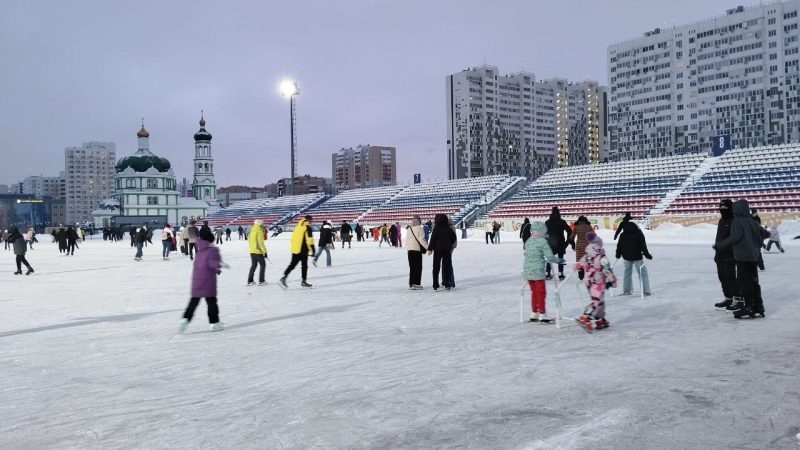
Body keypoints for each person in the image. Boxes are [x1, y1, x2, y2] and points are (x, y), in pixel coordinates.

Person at [716, 199, 766, 319]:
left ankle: (748, 307)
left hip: (742, 257)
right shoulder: (752, 221)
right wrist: (755, 249)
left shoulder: (737, 221)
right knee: (754, 282)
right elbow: (761, 237)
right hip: (752, 257)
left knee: (744, 282)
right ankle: (758, 307)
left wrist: (723, 245)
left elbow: (735, 237)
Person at [179, 227, 225, 333]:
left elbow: (202, 264)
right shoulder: (213, 250)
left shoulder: (200, 251)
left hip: (197, 281)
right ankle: (214, 323)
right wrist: (219, 264)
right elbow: (211, 263)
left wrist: (215, 269)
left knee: (193, 302)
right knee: (212, 302)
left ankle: (185, 319)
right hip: (208, 282)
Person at [575, 232, 616, 332]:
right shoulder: (601, 255)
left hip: (589, 280)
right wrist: (612, 279)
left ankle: (599, 319)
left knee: (600, 301)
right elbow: (606, 269)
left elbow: (580, 263)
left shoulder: (587, 254)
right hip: (598, 281)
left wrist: (579, 266)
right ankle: (585, 316)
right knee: (597, 301)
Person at [523, 221, 562, 323]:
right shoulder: (542, 241)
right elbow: (550, 257)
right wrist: (559, 260)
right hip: (537, 271)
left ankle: (534, 313)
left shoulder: (529, 241)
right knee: (541, 292)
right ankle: (542, 314)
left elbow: (526, 253)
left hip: (528, 271)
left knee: (534, 292)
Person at [713, 199, 739, 310]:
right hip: (720, 254)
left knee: (731, 278)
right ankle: (728, 298)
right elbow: (718, 238)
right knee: (722, 277)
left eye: (725, 207)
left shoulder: (735, 221)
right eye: (721, 207)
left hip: (730, 254)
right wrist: (717, 253)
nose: (722, 209)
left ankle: (738, 299)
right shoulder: (721, 221)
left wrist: (733, 254)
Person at [615, 221, 653, 296]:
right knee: (642, 273)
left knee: (627, 273)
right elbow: (643, 246)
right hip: (637, 256)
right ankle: (646, 291)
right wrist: (647, 255)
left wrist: (618, 254)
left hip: (626, 256)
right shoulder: (639, 233)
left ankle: (627, 291)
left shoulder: (623, 234)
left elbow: (619, 245)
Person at [280, 215, 314, 289]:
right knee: (304, 266)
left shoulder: (297, 227)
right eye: (311, 220)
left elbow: (292, 238)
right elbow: (309, 240)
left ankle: (284, 277)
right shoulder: (307, 227)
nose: (312, 222)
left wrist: (294, 248)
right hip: (303, 250)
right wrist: (313, 250)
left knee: (292, 264)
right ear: (309, 220)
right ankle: (303, 281)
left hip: (295, 249)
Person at [427, 213, 457, 291]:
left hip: (437, 250)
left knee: (436, 267)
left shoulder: (436, 228)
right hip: (447, 250)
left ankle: (435, 284)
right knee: (447, 267)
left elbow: (433, 239)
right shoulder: (448, 228)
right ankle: (447, 284)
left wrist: (430, 249)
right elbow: (454, 237)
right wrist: (449, 244)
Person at [545, 207, 571, 281]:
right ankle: (560, 273)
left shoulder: (547, 222)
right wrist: (567, 242)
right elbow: (569, 231)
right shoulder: (562, 222)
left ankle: (548, 273)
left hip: (551, 243)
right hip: (560, 243)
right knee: (560, 258)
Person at [568, 216, 594, 280]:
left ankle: (581, 275)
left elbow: (572, 237)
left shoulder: (576, 227)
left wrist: (572, 243)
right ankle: (588, 274)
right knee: (588, 260)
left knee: (579, 261)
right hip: (587, 246)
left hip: (579, 246)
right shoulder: (589, 227)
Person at [405, 215, 427, 290]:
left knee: (412, 268)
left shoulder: (409, 228)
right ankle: (416, 284)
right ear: (419, 221)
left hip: (410, 251)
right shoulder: (420, 229)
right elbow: (422, 240)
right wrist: (428, 248)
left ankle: (411, 283)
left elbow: (407, 240)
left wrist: (408, 248)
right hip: (417, 250)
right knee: (418, 267)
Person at [247, 219, 267, 286]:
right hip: (258, 251)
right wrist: (265, 252)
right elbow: (260, 243)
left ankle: (250, 281)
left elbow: (249, 240)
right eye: (262, 224)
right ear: (259, 224)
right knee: (263, 265)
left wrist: (251, 248)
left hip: (252, 250)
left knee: (253, 265)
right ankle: (261, 281)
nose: (262, 225)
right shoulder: (259, 231)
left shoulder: (251, 230)